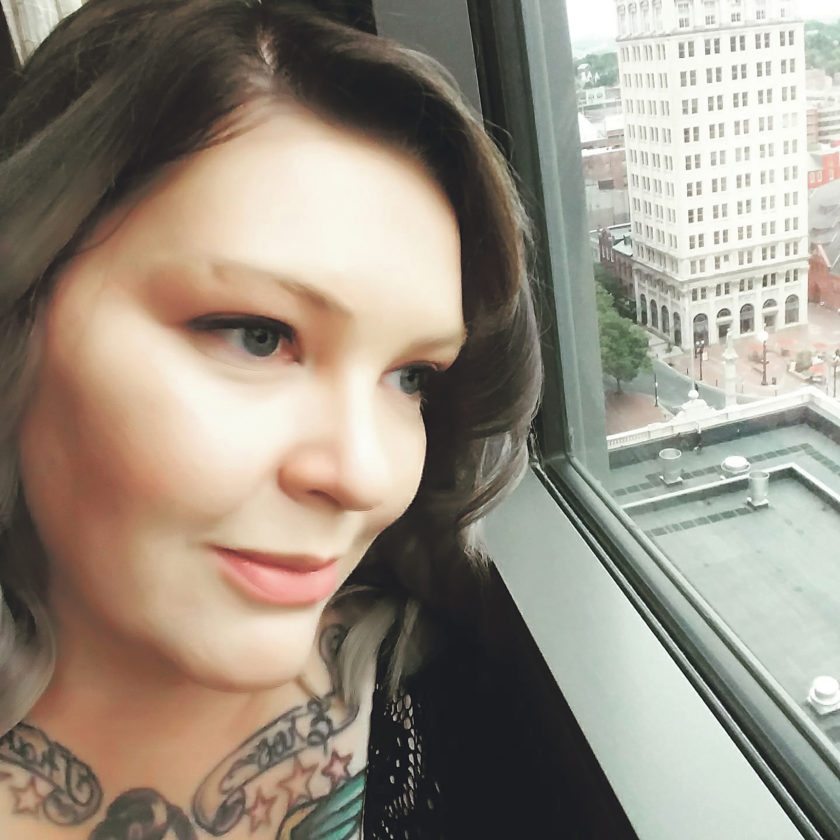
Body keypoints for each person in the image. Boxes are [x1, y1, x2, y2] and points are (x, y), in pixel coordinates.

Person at [0, 1, 542, 837]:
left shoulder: (469, 707)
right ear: (19, 313)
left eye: (411, 377)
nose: (364, 475)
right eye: (257, 336)